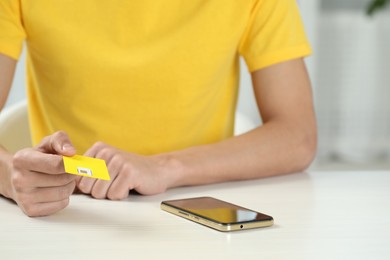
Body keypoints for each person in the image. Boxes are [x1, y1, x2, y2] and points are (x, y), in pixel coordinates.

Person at [0, 0, 317, 217]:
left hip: (197, 211)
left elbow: (297, 136)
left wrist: (165, 167)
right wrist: (11, 176)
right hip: (73, 213)